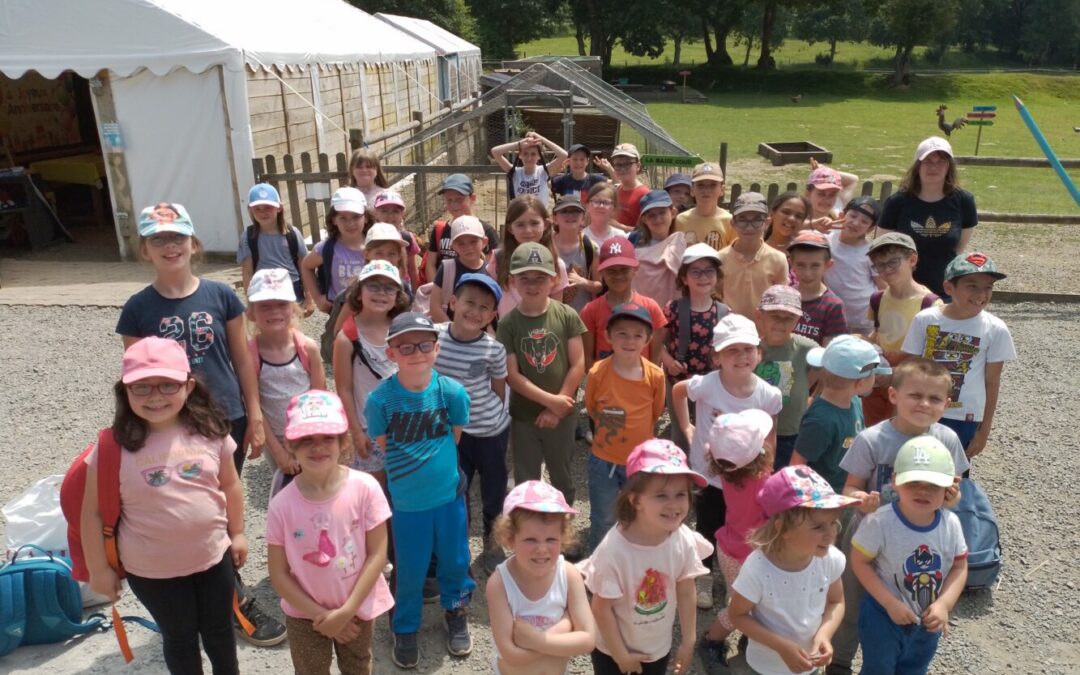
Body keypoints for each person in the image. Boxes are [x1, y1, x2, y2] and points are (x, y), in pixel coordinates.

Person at [82, 338, 245, 673]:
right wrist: (99, 570)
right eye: (141, 387)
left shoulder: (210, 430)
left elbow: (230, 484)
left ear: (188, 386)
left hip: (213, 557)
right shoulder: (112, 447)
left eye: (167, 385)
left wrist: (239, 533)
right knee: (180, 638)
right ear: (124, 390)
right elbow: (92, 512)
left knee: (220, 633)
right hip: (152, 572)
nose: (155, 396)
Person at [828, 358, 968, 675]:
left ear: (946, 404)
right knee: (852, 600)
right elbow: (850, 488)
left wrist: (952, 498)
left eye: (934, 398)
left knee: (906, 599)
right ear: (893, 395)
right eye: (915, 395)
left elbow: (956, 493)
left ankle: (898, 658)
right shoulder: (873, 439)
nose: (924, 403)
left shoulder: (947, 440)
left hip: (916, 541)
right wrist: (860, 500)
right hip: (868, 536)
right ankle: (840, 660)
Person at [364, 312, 474, 668]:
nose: (417, 352)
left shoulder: (452, 392)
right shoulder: (380, 401)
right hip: (408, 504)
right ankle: (405, 625)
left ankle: (455, 611)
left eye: (425, 344)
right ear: (391, 352)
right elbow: (382, 442)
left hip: (449, 497)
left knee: (456, 560)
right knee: (409, 568)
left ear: (437, 348)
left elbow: (454, 435)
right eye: (406, 346)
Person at [266, 390, 392, 675]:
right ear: (291, 444)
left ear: (343, 441)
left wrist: (347, 612)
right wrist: (321, 616)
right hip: (303, 614)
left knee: (358, 666)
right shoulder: (282, 505)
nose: (317, 447)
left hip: (357, 606)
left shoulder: (365, 488)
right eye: (306, 439)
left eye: (327, 438)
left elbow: (377, 553)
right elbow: (279, 573)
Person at [671, 313, 782, 610]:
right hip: (709, 475)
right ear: (717, 357)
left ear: (759, 352)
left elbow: (771, 432)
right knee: (708, 524)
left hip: (748, 479)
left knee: (744, 528)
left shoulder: (768, 394)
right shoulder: (707, 385)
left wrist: (767, 467)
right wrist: (686, 427)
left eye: (748, 349)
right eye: (732, 350)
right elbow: (678, 391)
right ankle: (705, 575)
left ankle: (742, 577)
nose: (741, 356)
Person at [578, 439, 713, 675]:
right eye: (661, 495)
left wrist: (688, 641)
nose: (673, 505)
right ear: (635, 499)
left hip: (657, 648)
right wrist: (621, 656)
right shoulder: (614, 550)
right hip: (612, 651)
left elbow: (685, 587)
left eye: (680, 494)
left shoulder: (682, 539)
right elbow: (601, 609)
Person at [850, 437, 969, 675]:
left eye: (933, 485)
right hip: (883, 616)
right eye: (913, 482)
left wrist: (944, 604)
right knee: (878, 669)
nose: (923, 491)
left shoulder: (951, 524)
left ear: (950, 486)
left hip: (927, 620)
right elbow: (859, 561)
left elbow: (959, 566)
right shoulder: (880, 522)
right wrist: (889, 603)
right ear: (895, 481)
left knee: (915, 669)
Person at [728, 465, 860, 675]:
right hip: (764, 668)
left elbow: (837, 601)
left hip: (809, 665)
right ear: (782, 528)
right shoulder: (758, 569)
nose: (830, 534)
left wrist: (824, 634)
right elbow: (737, 615)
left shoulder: (829, 558)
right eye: (818, 527)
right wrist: (781, 646)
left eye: (833, 523)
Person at [901, 252, 1015, 462]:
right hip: (921, 408)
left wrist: (984, 430)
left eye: (988, 287)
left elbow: (992, 381)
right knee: (911, 467)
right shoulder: (925, 319)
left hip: (963, 417)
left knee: (952, 479)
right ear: (948, 288)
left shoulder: (996, 329)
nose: (981, 294)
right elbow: (908, 369)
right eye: (972, 285)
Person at [497, 243, 587, 505]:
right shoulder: (508, 323)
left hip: (562, 414)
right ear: (512, 281)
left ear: (554, 279)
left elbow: (578, 363)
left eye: (540, 277)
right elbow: (512, 375)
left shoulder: (567, 315)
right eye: (524, 278)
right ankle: (528, 525)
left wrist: (559, 405)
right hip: (525, 414)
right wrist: (551, 402)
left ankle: (563, 527)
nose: (532, 284)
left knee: (562, 474)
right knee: (527, 478)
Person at [433, 273, 510, 564]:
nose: (475, 312)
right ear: (453, 302)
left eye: (484, 308)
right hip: (452, 434)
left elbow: (498, 390)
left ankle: (493, 542)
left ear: (492, 315)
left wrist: (491, 418)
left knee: (494, 489)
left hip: (490, 431)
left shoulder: (493, 349)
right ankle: (458, 545)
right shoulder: (434, 337)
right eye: (469, 302)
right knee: (457, 489)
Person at [485, 481, 596, 674]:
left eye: (551, 539)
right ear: (510, 539)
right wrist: (562, 629)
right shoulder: (499, 583)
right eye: (530, 539)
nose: (542, 549)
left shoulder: (569, 575)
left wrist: (534, 640)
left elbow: (587, 640)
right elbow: (510, 654)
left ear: (563, 537)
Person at [697, 410, 776, 672]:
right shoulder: (765, 484)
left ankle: (748, 634)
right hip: (748, 555)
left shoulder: (728, 472)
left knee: (746, 602)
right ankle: (711, 640)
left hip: (729, 548)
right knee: (740, 608)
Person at [584, 302, 667, 551]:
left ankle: (633, 561)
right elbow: (591, 408)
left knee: (639, 515)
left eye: (637, 335)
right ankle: (598, 570)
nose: (629, 341)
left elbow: (656, 411)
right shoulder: (598, 372)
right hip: (603, 461)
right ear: (608, 336)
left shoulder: (655, 376)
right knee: (603, 518)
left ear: (648, 339)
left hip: (640, 463)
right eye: (622, 333)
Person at [333, 261, 411, 491]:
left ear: (398, 295)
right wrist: (355, 432)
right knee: (374, 492)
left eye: (389, 288)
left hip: (403, 423)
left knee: (403, 489)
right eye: (374, 286)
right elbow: (344, 389)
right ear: (359, 292)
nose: (381, 293)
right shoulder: (346, 338)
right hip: (369, 428)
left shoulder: (402, 329)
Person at [247, 268, 325, 497]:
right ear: (251, 313)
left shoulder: (307, 348)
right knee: (287, 491)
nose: (274, 312)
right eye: (264, 306)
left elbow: (320, 398)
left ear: (293, 308)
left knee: (318, 489)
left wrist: (316, 440)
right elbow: (256, 406)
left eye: (281, 304)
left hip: (310, 436)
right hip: (276, 438)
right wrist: (280, 452)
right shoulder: (250, 354)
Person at [877, 137, 978, 298]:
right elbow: (881, 249)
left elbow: (958, 249)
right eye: (928, 161)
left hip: (945, 290)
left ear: (949, 167)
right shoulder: (897, 202)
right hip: (904, 291)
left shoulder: (964, 201)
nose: (934, 167)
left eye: (941, 162)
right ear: (918, 165)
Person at [862, 232, 941, 428]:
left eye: (893, 262)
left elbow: (932, 358)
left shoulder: (930, 305)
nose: (886, 270)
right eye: (880, 265)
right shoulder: (877, 299)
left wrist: (896, 373)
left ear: (912, 260)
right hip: (877, 384)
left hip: (910, 388)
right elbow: (879, 335)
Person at [657, 243, 730, 453]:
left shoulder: (724, 312)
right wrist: (668, 361)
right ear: (683, 278)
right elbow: (657, 341)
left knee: (708, 430)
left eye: (709, 271)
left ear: (717, 276)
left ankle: (704, 473)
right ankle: (679, 476)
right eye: (695, 271)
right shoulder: (673, 308)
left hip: (710, 385)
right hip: (677, 381)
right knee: (680, 432)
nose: (703, 277)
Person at [792, 336, 887, 492]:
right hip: (826, 496)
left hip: (848, 487)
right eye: (874, 373)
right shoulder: (821, 420)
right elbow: (797, 464)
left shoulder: (854, 399)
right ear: (859, 383)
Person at [300, 187, 370, 363]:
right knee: (339, 352)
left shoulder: (374, 247)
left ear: (366, 217)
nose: (350, 223)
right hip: (337, 309)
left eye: (355, 217)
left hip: (370, 310)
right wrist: (317, 298)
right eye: (343, 218)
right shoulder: (327, 248)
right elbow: (306, 266)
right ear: (334, 220)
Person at [753, 285, 816, 469]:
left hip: (792, 432)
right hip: (757, 432)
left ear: (797, 320)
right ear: (759, 316)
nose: (781, 323)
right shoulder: (750, 348)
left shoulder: (806, 348)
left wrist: (812, 394)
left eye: (788, 318)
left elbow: (826, 373)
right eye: (774, 316)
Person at [580, 238, 666, 370]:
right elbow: (588, 359)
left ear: (635, 269)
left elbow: (655, 357)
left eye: (624, 269)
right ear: (601, 272)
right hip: (605, 386)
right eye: (611, 271)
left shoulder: (651, 307)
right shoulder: (590, 310)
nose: (618, 275)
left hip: (641, 385)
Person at [489, 195, 570, 318]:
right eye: (520, 225)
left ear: (546, 224)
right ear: (510, 228)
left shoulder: (556, 264)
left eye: (534, 223)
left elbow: (556, 310)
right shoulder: (498, 259)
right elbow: (489, 302)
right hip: (505, 334)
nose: (528, 230)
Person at [238, 183, 312, 312]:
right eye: (258, 209)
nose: (263, 212)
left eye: (268, 207)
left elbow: (304, 266)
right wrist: (250, 303)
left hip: (291, 287)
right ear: (250, 210)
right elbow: (247, 272)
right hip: (262, 288)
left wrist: (309, 298)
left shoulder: (292, 234)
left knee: (292, 327)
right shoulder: (248, 237)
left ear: (279, 208)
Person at [718, 192, 790, 319]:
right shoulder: (720, 259)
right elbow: (717, 296)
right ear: (733, 223)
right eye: (742, 220)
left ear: (767, 222)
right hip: (730, 333)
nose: (749, 227)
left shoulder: (778, 259)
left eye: (757, 220)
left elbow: (780, 301)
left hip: (764, 334)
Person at [424, 174, 500, 285]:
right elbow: (431, 264)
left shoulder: (487, 230)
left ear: (472, 198)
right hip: (445, 291)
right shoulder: (439, 229)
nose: (454, 205)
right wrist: (436, 289)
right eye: (449, 200)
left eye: (459, 200)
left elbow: (492, 267)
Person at [825, 196, 885, 336]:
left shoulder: (871, 252)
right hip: (832, 316)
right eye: (852, 216)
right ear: (842, 215)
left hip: (863, 319)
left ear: (870, 229)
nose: (856, 223)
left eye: (864, 221)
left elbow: (883, 287)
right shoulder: (826, 241)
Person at [788, 230, 848, 346]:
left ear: (828, 265)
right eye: (801, 265)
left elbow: (830, 352)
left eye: (815, 266)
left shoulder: (833, 306)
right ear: (792, 264)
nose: (807, 273)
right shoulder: (784, 298)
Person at [630, 189, 688, 309]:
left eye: (662, 213)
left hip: (676, 311)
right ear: (644, 220)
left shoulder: (681, 243)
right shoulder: (637, 249)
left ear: (672, 213)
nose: (658, 219)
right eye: (651, 215)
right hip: (645, 311)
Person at [429, 215, 491, 323]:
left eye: (473, 241)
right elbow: (435, 307)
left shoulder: (491, 270)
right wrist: (454, 332)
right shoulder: (447, 268)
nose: (468, 247)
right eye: (461, 243)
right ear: (452, 246)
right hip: (449, 331)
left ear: (484, 242)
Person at [552, 194, 602, 312]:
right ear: (555, 218)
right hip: (552, 316)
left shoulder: (591, 247)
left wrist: (583, 282)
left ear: (583, 218)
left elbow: (599, 286)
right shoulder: (546, 246)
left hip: (582, 317)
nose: (570, 215)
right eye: (564, 211)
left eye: (575, 211)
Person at [491, 131, 568, 207]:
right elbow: (495, 151)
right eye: (525, 153)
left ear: (539, 156)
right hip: (520, 216)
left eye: (533, 154)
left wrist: (541, 139)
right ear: (520, 155)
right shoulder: (515, 172)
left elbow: (564, 155)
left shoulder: (543, 171)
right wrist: (518, 144)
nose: (529, 158)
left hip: (539, 217)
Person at [674, 162, 734, 250]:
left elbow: (733, 255)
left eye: (713, 185)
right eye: (700, 185)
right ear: (692, 190)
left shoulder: (730, 221)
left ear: (722, 190)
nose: (706, 190)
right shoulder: (680, 220)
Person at [372, 191, 421, 288]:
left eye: (395, 211)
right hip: (376, 288)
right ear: (375, 213)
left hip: (403, 289)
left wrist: (415, 295)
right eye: (384, 211)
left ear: (402, 214)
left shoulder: (407, 238)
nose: (390, 216)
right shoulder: (370, 238)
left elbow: (412, 269)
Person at [610, 143, 650, 229]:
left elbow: (646, 231)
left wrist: (618, 226)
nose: (622, 169)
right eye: (618, 165)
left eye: (627, 164)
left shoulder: (645, 194)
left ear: (638, 166)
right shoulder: (617, 189)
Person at [582, 181, 629, 247]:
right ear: (587, 206)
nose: (601, 206)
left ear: (614, 209)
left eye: (606, 202)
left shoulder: (620, 236)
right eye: (596, 201)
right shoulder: (581, 237)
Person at [805, 165, 844, 231]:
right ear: (808, 194)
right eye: (821, 194)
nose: (826, 199)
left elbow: (853, 180)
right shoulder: (798, 221)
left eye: (832, 195)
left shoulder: (839, 216)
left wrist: (824, 169)